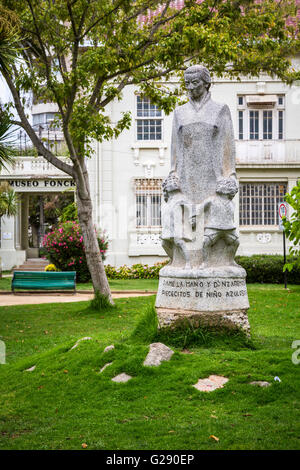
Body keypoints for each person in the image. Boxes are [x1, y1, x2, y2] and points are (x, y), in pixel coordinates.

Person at [190, 177, 239, 267]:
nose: (220, 187)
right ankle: (206, 262)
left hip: (229, 228)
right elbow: (199, 209)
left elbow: (231, 217)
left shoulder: (232, 203)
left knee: (236, 243)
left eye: (223, 185)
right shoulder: (211, 200)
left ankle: (231, 261)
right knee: (205, 242)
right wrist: (194, 218)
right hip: (213, 227)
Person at [161, 172, 194, 270]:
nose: (171, 184)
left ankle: (188, 262)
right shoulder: (167, 201)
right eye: (169, 182)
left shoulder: (181, 198)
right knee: (164, 244)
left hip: (177, 227)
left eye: (173, 182)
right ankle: (172, 260)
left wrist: (193, 217)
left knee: (179, 242)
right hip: (168, 228)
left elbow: (191, 206)